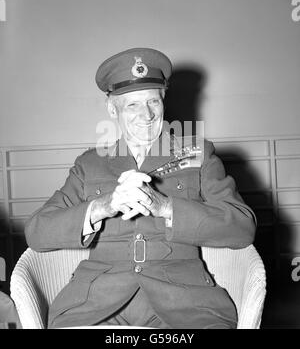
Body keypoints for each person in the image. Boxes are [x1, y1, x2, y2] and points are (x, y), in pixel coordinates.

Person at [25, 48, 256, 329]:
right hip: (97, 307)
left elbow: (242, 227)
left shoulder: (197, 154)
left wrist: (166, 208)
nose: (146, 114)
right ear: (112, 109)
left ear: (163, 102)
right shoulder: (90, 164)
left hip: (184, 304)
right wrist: (102, 208)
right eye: (132, 105)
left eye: (153, 102)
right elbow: (37, 232)